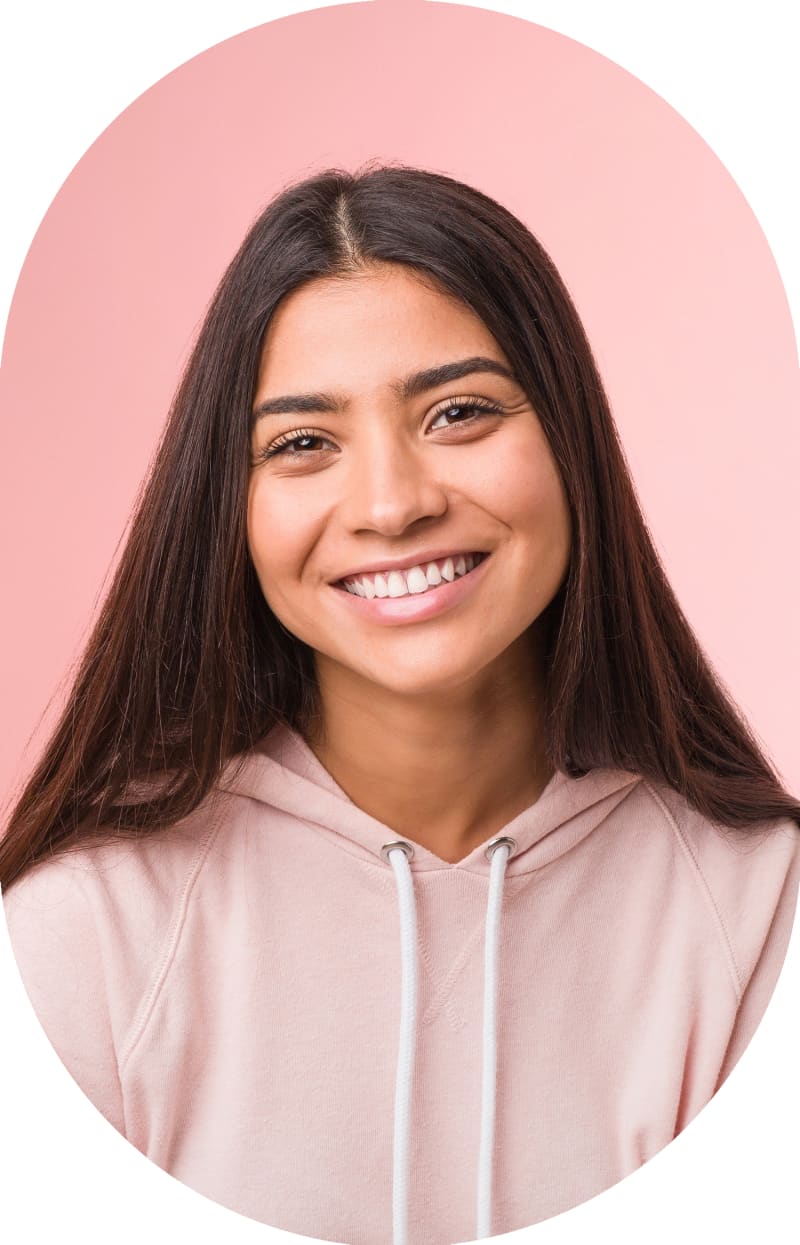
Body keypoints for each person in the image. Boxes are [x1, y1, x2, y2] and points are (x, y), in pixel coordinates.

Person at [2, 162, 799, 1245]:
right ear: (227, 506)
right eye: (301, 444)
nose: (390, 504)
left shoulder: (757, 913)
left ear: (571, 439)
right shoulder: (85, 934)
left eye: (457, 412)